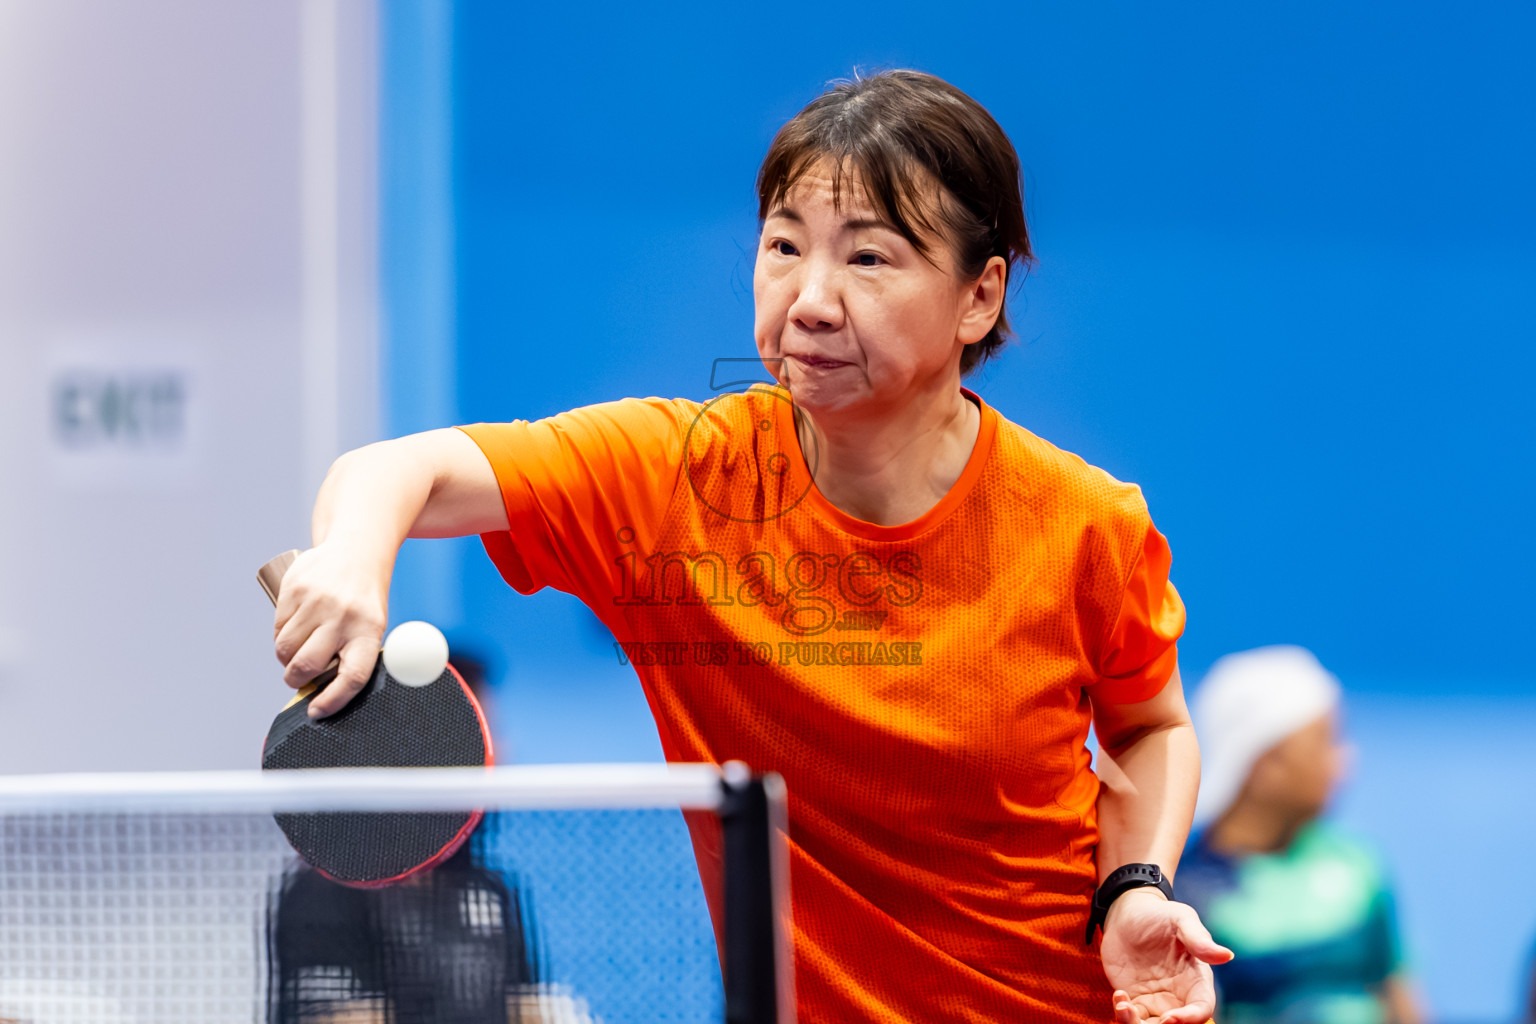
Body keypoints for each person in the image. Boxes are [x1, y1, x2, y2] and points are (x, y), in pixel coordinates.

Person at [271, 70, 1230, 1022]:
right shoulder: (673, 482)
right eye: (783, 247)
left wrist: (1134, 886)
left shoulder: (1082, 523)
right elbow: (399, 471)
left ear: (979, 299)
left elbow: (1150, 726)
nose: (809, 299)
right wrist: (354, 557)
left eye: (869, 259)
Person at [1177, 646, 1426, 1024]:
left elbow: (1400, 999)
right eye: (1326, 740)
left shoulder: (1358, 867)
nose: (1345, 759)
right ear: (1265, 763)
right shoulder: (1185, 897)